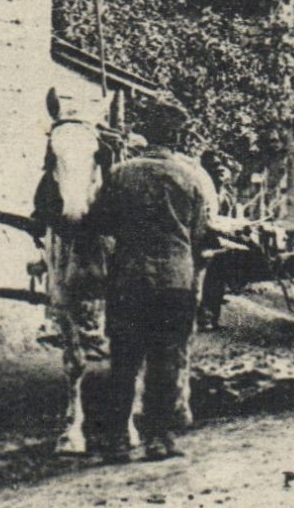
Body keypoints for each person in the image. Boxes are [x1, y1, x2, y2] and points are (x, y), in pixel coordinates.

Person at [91, 114, 216, 462]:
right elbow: (198, 232)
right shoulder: (190, 178)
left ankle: (117, 440)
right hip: (175, 281)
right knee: (166, 358)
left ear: (145, 136)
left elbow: (100, 222)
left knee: (124, 360)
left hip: (128, 281)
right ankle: (160, 438)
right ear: (176, 140)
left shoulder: (120, 175)